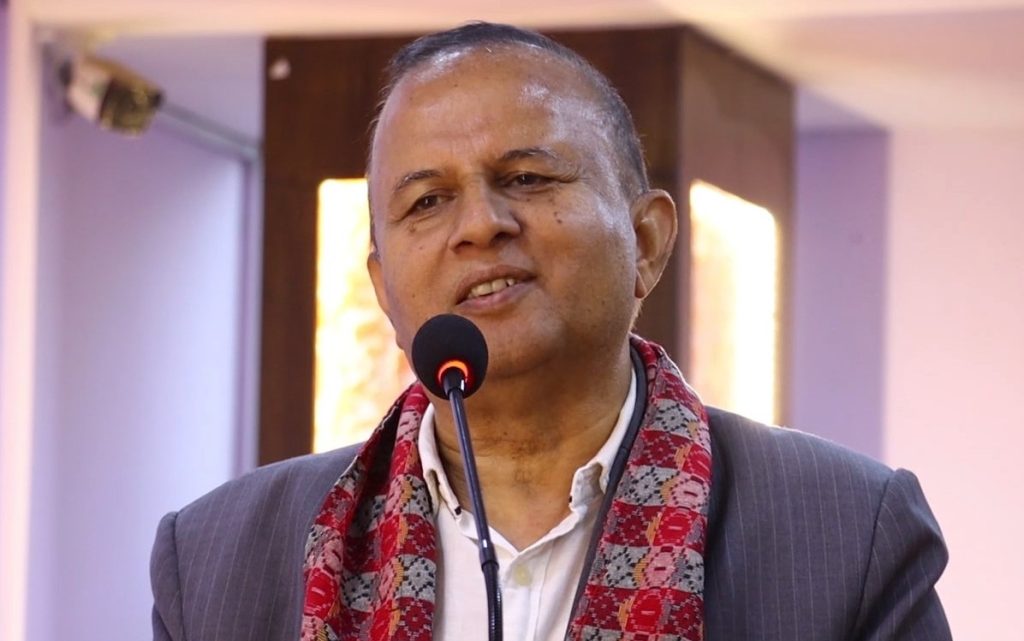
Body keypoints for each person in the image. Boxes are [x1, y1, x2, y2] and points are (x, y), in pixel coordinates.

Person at [150, 22, 951, 641]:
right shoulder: (222, 556)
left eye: (526, 177)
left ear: (646, 241)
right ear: (383, 288)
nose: (480, 224)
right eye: (427, 201)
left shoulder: (846, 531)